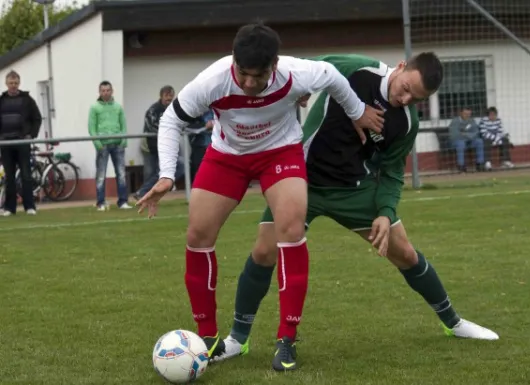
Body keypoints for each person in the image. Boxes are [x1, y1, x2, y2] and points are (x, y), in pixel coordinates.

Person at [212, 53, 500, 370]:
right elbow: (314, 64)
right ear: (402, 66)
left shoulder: (406, 123)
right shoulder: (358, 70)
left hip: (354, 190)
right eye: (405, 88)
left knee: (405, 253)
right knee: (264, 251)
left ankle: (454, 322)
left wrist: (385, 212)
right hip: (299, 178)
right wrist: (302, 86)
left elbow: (391, 173)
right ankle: (238, 339)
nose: (404, 98)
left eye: (415, 98)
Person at [136, 23, 384, 371]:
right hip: (226, 157)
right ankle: (208, 339)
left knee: (291, 230)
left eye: (259, 75)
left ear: (275, 64)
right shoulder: (213, 79)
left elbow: (331, 76)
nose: (250, 83)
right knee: (197, 236)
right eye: (243, 73)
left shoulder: (296, 73)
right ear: (233, 60)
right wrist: (165, 174)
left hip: (280, 153)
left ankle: (286, 339)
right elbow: (170, 120)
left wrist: (357, 111)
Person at [0, 70, 42, 217]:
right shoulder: (1, 100)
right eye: (11, 83)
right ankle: (9, 208)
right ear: (6, 83)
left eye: (16, 83)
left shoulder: (27, 100)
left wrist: (31, 135)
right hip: (5, 143)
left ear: (19, 83)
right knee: (9, 176)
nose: (13, 85)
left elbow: (37, 118)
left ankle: (29, 206)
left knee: (26, 175)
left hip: (22, 141)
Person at [88, 80, 131, 210]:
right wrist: (98, 144)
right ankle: (100, 202)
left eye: (108, 90)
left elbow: (123, 124)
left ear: (112, 91)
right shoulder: (94, 107)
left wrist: (124, 141)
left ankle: (123, 201)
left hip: (118, 145)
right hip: (103, 145)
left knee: (121, 173)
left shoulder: (118, 107)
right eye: (103, 90)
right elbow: (92, 127)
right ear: (99, 92)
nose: (105, 93)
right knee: (101, 175)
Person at [448, 107, 485, 172]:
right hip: (455, 142)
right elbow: (455, 135)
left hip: (469, 141)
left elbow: (476, 132)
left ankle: (480, 164)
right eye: (465, 114)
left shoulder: (472, 121)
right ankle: (461, 165)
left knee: (479, 141)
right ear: (461, 113)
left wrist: (465, 134)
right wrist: (468, 135)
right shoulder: (455, 121)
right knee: (461, 143)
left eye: (469, 114)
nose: (467, 115)